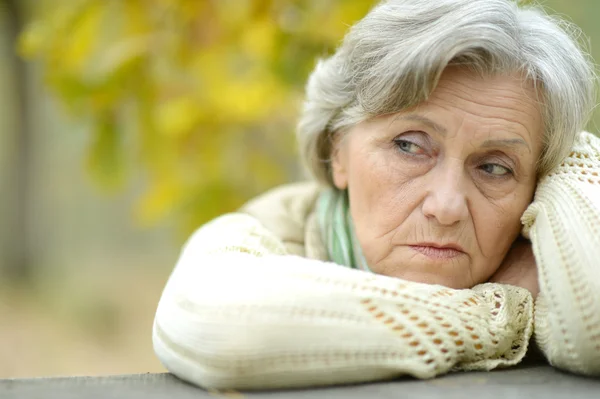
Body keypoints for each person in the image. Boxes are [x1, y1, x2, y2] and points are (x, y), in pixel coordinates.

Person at [152, 0, 600, 390]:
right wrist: (495, 312)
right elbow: (225, 330)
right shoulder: (265, 233)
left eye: (495, 167)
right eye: (409, 145)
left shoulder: (552, 253)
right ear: (337, 151)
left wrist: (572, 155)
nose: (446, 207)